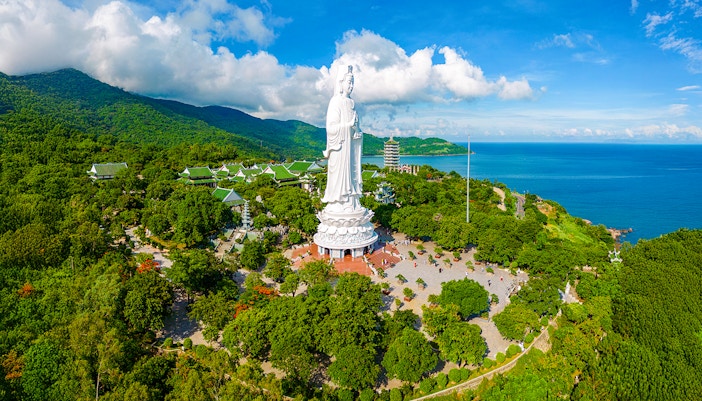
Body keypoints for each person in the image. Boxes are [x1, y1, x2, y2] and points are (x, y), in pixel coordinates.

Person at [321, 65, 363, 208]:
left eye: (353, 83)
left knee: (352, 174)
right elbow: (330, 128)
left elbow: (356, 128)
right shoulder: (335, 101)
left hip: (350, 147)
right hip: (339, 147)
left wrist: (357, 131)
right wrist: (347, 126)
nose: (351, 86)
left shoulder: (352, 103)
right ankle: (339, 201)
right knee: (338, 176)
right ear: (341, 83)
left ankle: (351, 200)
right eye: (348, 82)